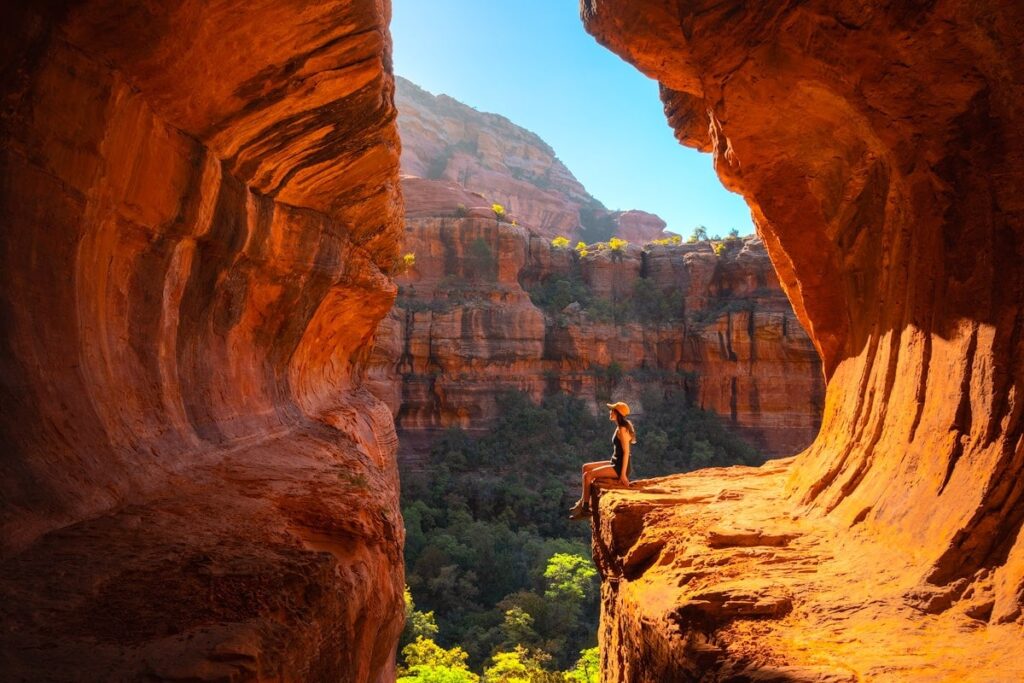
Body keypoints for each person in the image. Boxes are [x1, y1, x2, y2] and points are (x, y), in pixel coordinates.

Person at [569, 401, 636, 520]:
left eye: (612, 410)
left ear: (617, 413)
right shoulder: (619, 427)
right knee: (586, 467)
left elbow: (626, 453)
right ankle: (582, 501)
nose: (610, 412)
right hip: (614, 462)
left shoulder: (622, 430)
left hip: (619, 467)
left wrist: (623, 475)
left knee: (587, 475)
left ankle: (585, 508)